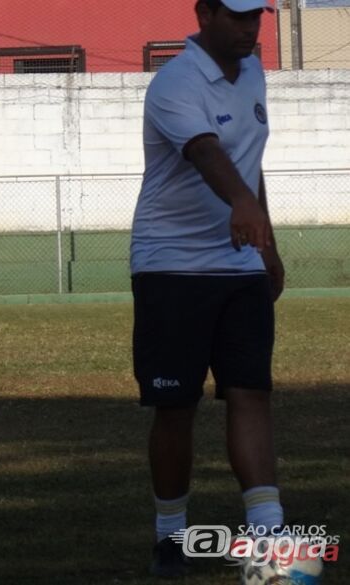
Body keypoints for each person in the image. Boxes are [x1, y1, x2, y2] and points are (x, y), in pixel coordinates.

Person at [130, 0, 286, 577]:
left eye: (258, 17)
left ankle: (268, 534)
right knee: (176, 405)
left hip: (240, 263)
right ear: (204, 13)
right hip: (171, 267)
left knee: (251, 392)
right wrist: (242, 204)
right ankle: (171, 534)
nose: (251, 28)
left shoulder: (254, 73)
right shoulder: (174, 82)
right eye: (239, 16)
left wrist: (266, 243)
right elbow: (206, 153)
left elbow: (250, 166)